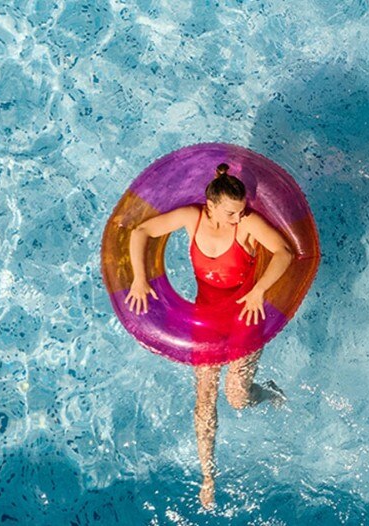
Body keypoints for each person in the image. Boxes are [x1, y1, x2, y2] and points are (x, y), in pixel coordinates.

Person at [124, 163, 292, 507]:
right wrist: (140, 278)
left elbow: (284, 253)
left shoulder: (246, 225)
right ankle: (208, 476)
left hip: (246, 313)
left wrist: (260, 290)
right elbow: (140, 232)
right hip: (206, 318)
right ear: (211, 205)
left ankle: (268, 392)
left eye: (241, 210)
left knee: (237, 398)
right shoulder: (191, 217)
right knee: (204, 399)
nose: (239, 216)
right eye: (232, 211)